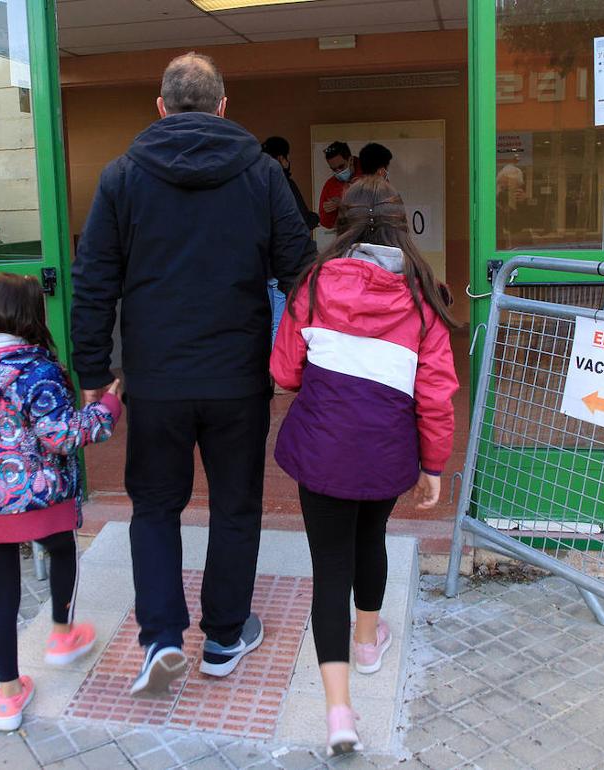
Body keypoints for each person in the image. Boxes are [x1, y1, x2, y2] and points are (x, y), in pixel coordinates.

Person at [72, 52, 313, 696]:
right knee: (236, 506)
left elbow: (93, 280)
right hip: (237, 378)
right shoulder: (262, 175)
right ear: (223, 106)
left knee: (154, 507)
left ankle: (159, 640)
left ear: (160, 107)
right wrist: (311, 360)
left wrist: (93, 367)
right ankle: (226, 637)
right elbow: (301, 274)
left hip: (155, 381)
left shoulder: (121, 177)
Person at [270, 176, 459, 757]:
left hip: (322, 453)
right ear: (402, 227)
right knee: (370, 538)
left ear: (340, 225)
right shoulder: (424, 299)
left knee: (330, 567)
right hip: (386, 453)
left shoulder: (315, 285)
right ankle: (368, 640)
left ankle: (338, 712)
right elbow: (435, 395)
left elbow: (283, 372)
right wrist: (434, 465)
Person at [0, 273, 122, 732]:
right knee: (62, 551)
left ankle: (9, 698)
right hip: (44, 496)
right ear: (28, 314)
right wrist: (109, 407)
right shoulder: (37, 369)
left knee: (2, 596)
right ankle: (62, 634)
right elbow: (63, 436)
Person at [261, 135, 317, 346]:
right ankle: (276, 370)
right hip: (282, 267)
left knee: (268, 322)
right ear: (282, 158)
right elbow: (300, 222)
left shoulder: (255, 181)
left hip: (262, 266)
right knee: (280, 323)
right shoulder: (282, 182)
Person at [317, 141, 361, 230]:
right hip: (347, 237)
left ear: (351, 160)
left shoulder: (371, 175)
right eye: (334, 169)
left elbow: (381, 207)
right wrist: (329, 211)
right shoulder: (330, 185)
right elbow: (325, 223)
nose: (338, 172)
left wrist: (343, 204)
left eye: (341, 167)